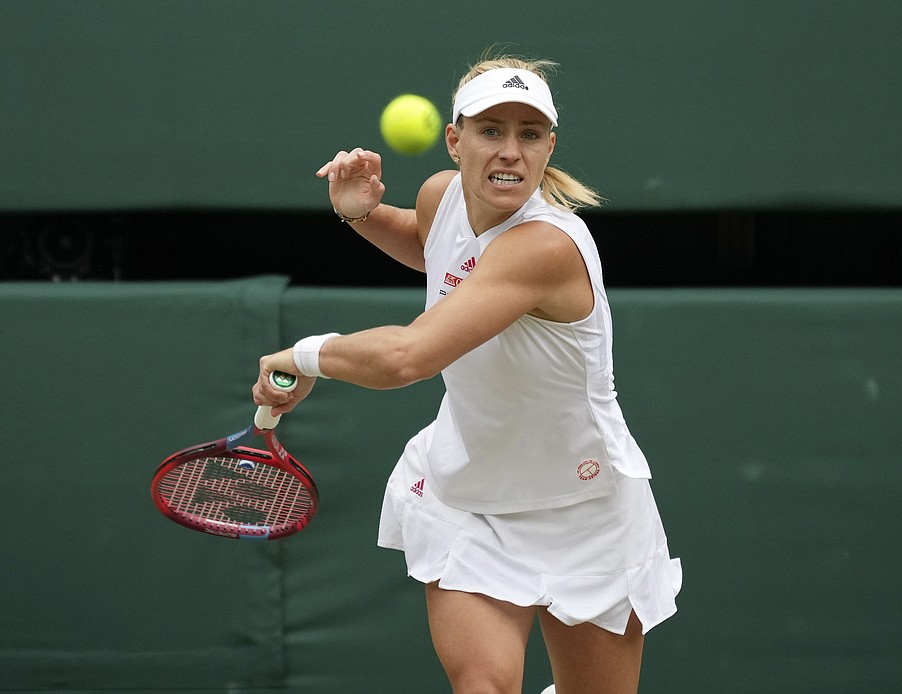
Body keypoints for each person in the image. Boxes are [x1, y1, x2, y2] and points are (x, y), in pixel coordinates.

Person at [253, 52, 682, 694]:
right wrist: (362, 213)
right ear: (455, 141)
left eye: (528, 135)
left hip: (587, 509)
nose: (510, 151)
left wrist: (305, 354)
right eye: (491, 131)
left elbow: (408, 357)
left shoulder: (546, 247)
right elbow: (432, 244)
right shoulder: (441, 196)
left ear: (548, 148)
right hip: (468, 492)